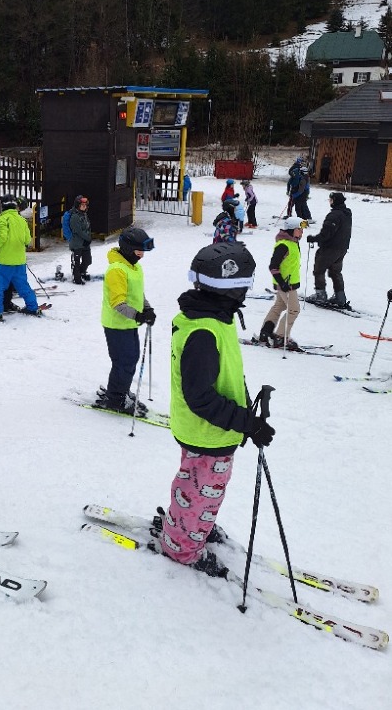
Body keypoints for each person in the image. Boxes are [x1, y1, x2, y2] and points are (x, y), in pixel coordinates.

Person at [154, 242, 274, 577]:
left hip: (211, 430)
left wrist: (247, 416)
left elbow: (225, 374)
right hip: (206, 432)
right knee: (200, 489)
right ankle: (182, 547)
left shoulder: (214, 319)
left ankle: (196, 523)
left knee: (201, 487)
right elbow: (201, 398)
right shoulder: (204, 332)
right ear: (232, 290)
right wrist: (246, 422)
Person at [97, 226, 156, 414]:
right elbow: (117, 303)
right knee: (124, 361)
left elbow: (138, 293)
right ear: (129, 249)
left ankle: (121, 390)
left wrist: (147, 308)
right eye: (139, 251)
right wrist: (138, 315)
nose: (142, 255)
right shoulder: (116, 270)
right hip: (116, 324)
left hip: (128, 323)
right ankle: (116, 398)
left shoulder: (133, 267)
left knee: (130, 359)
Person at [0, 193, 40, 321]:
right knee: (23, 286)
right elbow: (27, 240)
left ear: (3, 206)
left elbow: (2, 238)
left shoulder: (3, 219)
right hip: (20, 261)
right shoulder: (22, 220)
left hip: (5, 262)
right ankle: (32, 307)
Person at [258, 216, 307, 350]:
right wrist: (282, 283)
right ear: (291, 229)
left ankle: (265, 333)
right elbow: (273, 266)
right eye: (299, 229)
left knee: (279, 306)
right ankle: (280, 337)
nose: (301, 232)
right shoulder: (283, 245)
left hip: (289, 283)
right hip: (286, 285)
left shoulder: (293, 243)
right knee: (294, 310)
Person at [306, 191, 352, 308]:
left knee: (319, 270)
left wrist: (313, 238)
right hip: (342, 248)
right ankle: (340, 297)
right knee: (335, 272)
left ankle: (320, 295)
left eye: (331, 200)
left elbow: (326, 234)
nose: (329, 202)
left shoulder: (334, 215)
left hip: (330, 248)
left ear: (335, 201)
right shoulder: (347, 213)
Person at [68, 195, 92, 285]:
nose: (84, 207)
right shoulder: (75, 216)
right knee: (76, 262)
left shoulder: (84, 215)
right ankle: (76, 278)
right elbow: (77, 230)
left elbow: (87, 228)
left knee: (88, 260)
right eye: (82, 205)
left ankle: (81, 272)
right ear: (78, 205)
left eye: (85, 205)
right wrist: (87, 238)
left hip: (85, 243)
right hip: (77, 243)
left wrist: (88, 238)